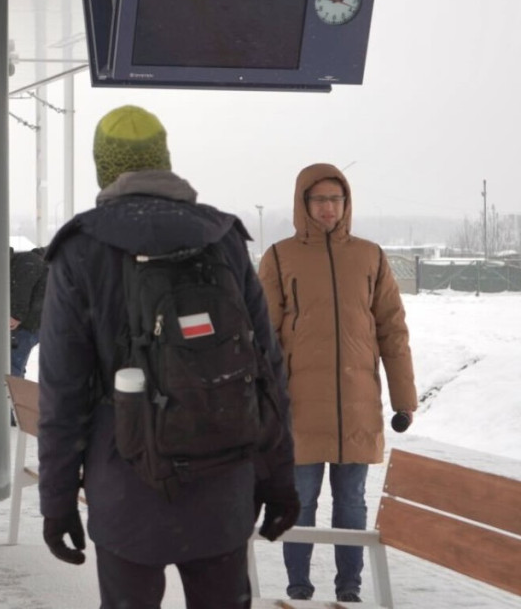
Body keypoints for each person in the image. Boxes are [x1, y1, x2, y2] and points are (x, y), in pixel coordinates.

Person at [38, 105, 298, 609]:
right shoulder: (222, 238)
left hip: (127, 486)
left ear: (104, 168)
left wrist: (57, 501)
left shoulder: (82, 249)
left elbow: (63, 391)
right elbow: (266, 371)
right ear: (163, 161)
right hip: (223, 477)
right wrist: (278, 477)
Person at [258, 163, 418, 604]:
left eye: (335, 199)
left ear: (346, 204)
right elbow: (261, 338)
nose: (328, 208)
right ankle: (298, 588)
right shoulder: (278, 257)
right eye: (319, 200)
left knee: (351, 507)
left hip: (358, 405)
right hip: (299, 408)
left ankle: (350, 587)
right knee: (301, 504)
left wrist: (404, 399)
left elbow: (392, 330)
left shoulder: (370, 256)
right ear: (303, 203)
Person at [9, 246, 46, 379]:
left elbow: (21, 291)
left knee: (11, 367)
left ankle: (12, 398)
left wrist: (16, 316)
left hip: (27, 326)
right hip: (37, 324)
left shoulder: (27, 261)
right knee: (15, 366)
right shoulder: (33, 262)